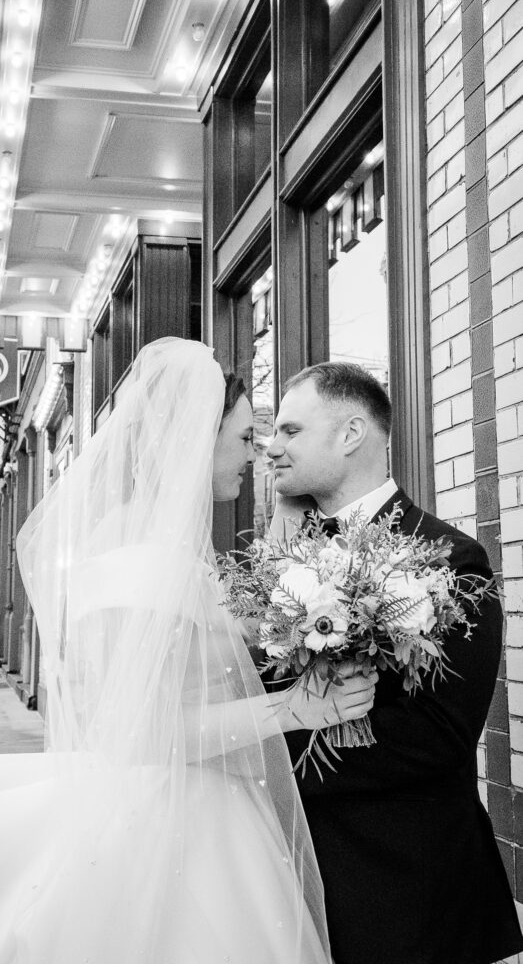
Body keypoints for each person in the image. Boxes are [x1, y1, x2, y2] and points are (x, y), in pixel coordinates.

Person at [0, 339, 375, 963]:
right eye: (242, 436)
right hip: (170, 826)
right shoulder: (142, 556)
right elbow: (141, 729)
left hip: (203, 806)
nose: (253, 453)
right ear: (193, 439)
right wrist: (291, 709)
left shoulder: (157, 546)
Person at [267, 360, 523, 964]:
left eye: (290, 431)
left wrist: (268, 774)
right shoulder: (284, 557)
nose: (272, 448)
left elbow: (436, 736)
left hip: (406, 894)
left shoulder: (449, 561)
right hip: (294, 889)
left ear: (351, 433)